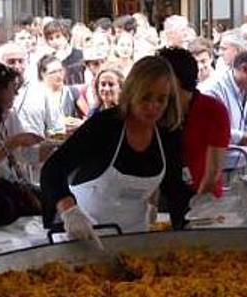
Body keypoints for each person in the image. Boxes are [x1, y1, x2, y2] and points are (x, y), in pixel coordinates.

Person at [40, 56, 190, 239]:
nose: (153, 107)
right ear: (132, 93)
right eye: (146, 98)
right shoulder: (105, 126)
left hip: (135, 236)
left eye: (161, 99)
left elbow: (174, 189)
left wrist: (186, 227)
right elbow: (52, 169)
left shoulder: (167, 135)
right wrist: (69, 211)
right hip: (84, 233)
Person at [158, 47, 230, 198]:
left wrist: (195, 206)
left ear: (174, 79)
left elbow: (213, 171)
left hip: (203, 201)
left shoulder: (212, 110)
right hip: (166, 196)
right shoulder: (159, 108)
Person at [43, 21, 85, 85]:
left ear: (67, 36)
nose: (55, 41)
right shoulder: (49, 60)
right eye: (51, 39)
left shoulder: (80, 54)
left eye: (58, 36)